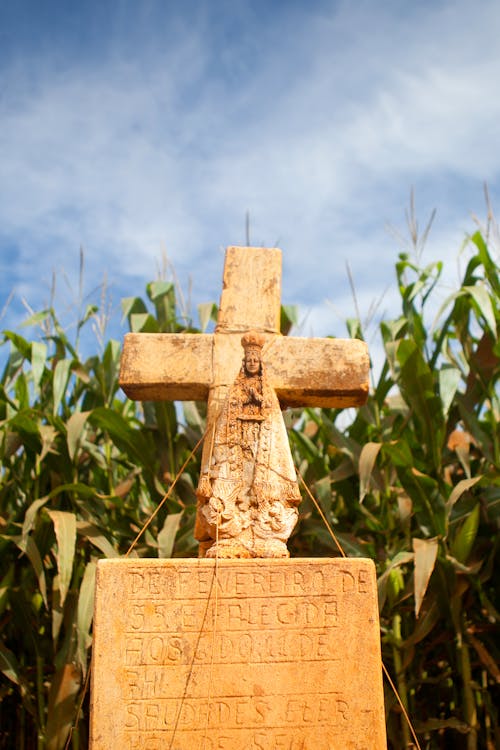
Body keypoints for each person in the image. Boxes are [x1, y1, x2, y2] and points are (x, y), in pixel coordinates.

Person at [195, 330, 301, 558]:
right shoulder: (235, 391)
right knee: (236, 487)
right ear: (245, 363)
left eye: (256, 360)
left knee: (262, 489)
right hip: (238, 450)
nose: (253, 363)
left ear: (260, 364)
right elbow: (226, 420)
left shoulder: (267, 393)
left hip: (262, 448)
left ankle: (265, 534)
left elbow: (272, 419)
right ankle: (232, 535)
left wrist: (258, 400)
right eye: (249, 360)